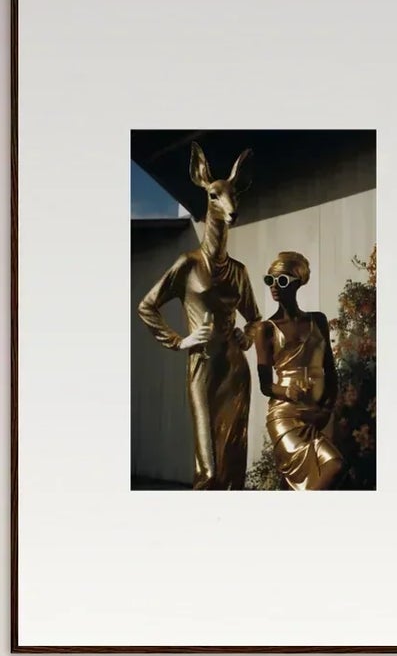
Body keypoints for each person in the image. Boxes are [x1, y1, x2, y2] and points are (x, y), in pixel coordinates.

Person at [137, 144, 259, 491]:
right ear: (209, 198)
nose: (227, 203)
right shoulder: (187, 264)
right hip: (202, 369)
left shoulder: (238, 272)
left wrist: (246, 337)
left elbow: (254, 320)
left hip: (235, 372)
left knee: (234, 468)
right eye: (217, 196)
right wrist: (180, 340)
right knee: (208, 470)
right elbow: (147, 307)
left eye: (231, 195)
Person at [251, 251, 342, 492]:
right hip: (285, 415)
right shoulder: (265, 329)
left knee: (319, 474)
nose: (274, 287)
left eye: (281, 281)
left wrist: (326, 410)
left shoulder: (318, 321)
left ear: (298, 282)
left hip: (318, 413)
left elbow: (330, 372)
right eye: (269, 280)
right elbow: (264, 385)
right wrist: (287, 390)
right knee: (334, 466)